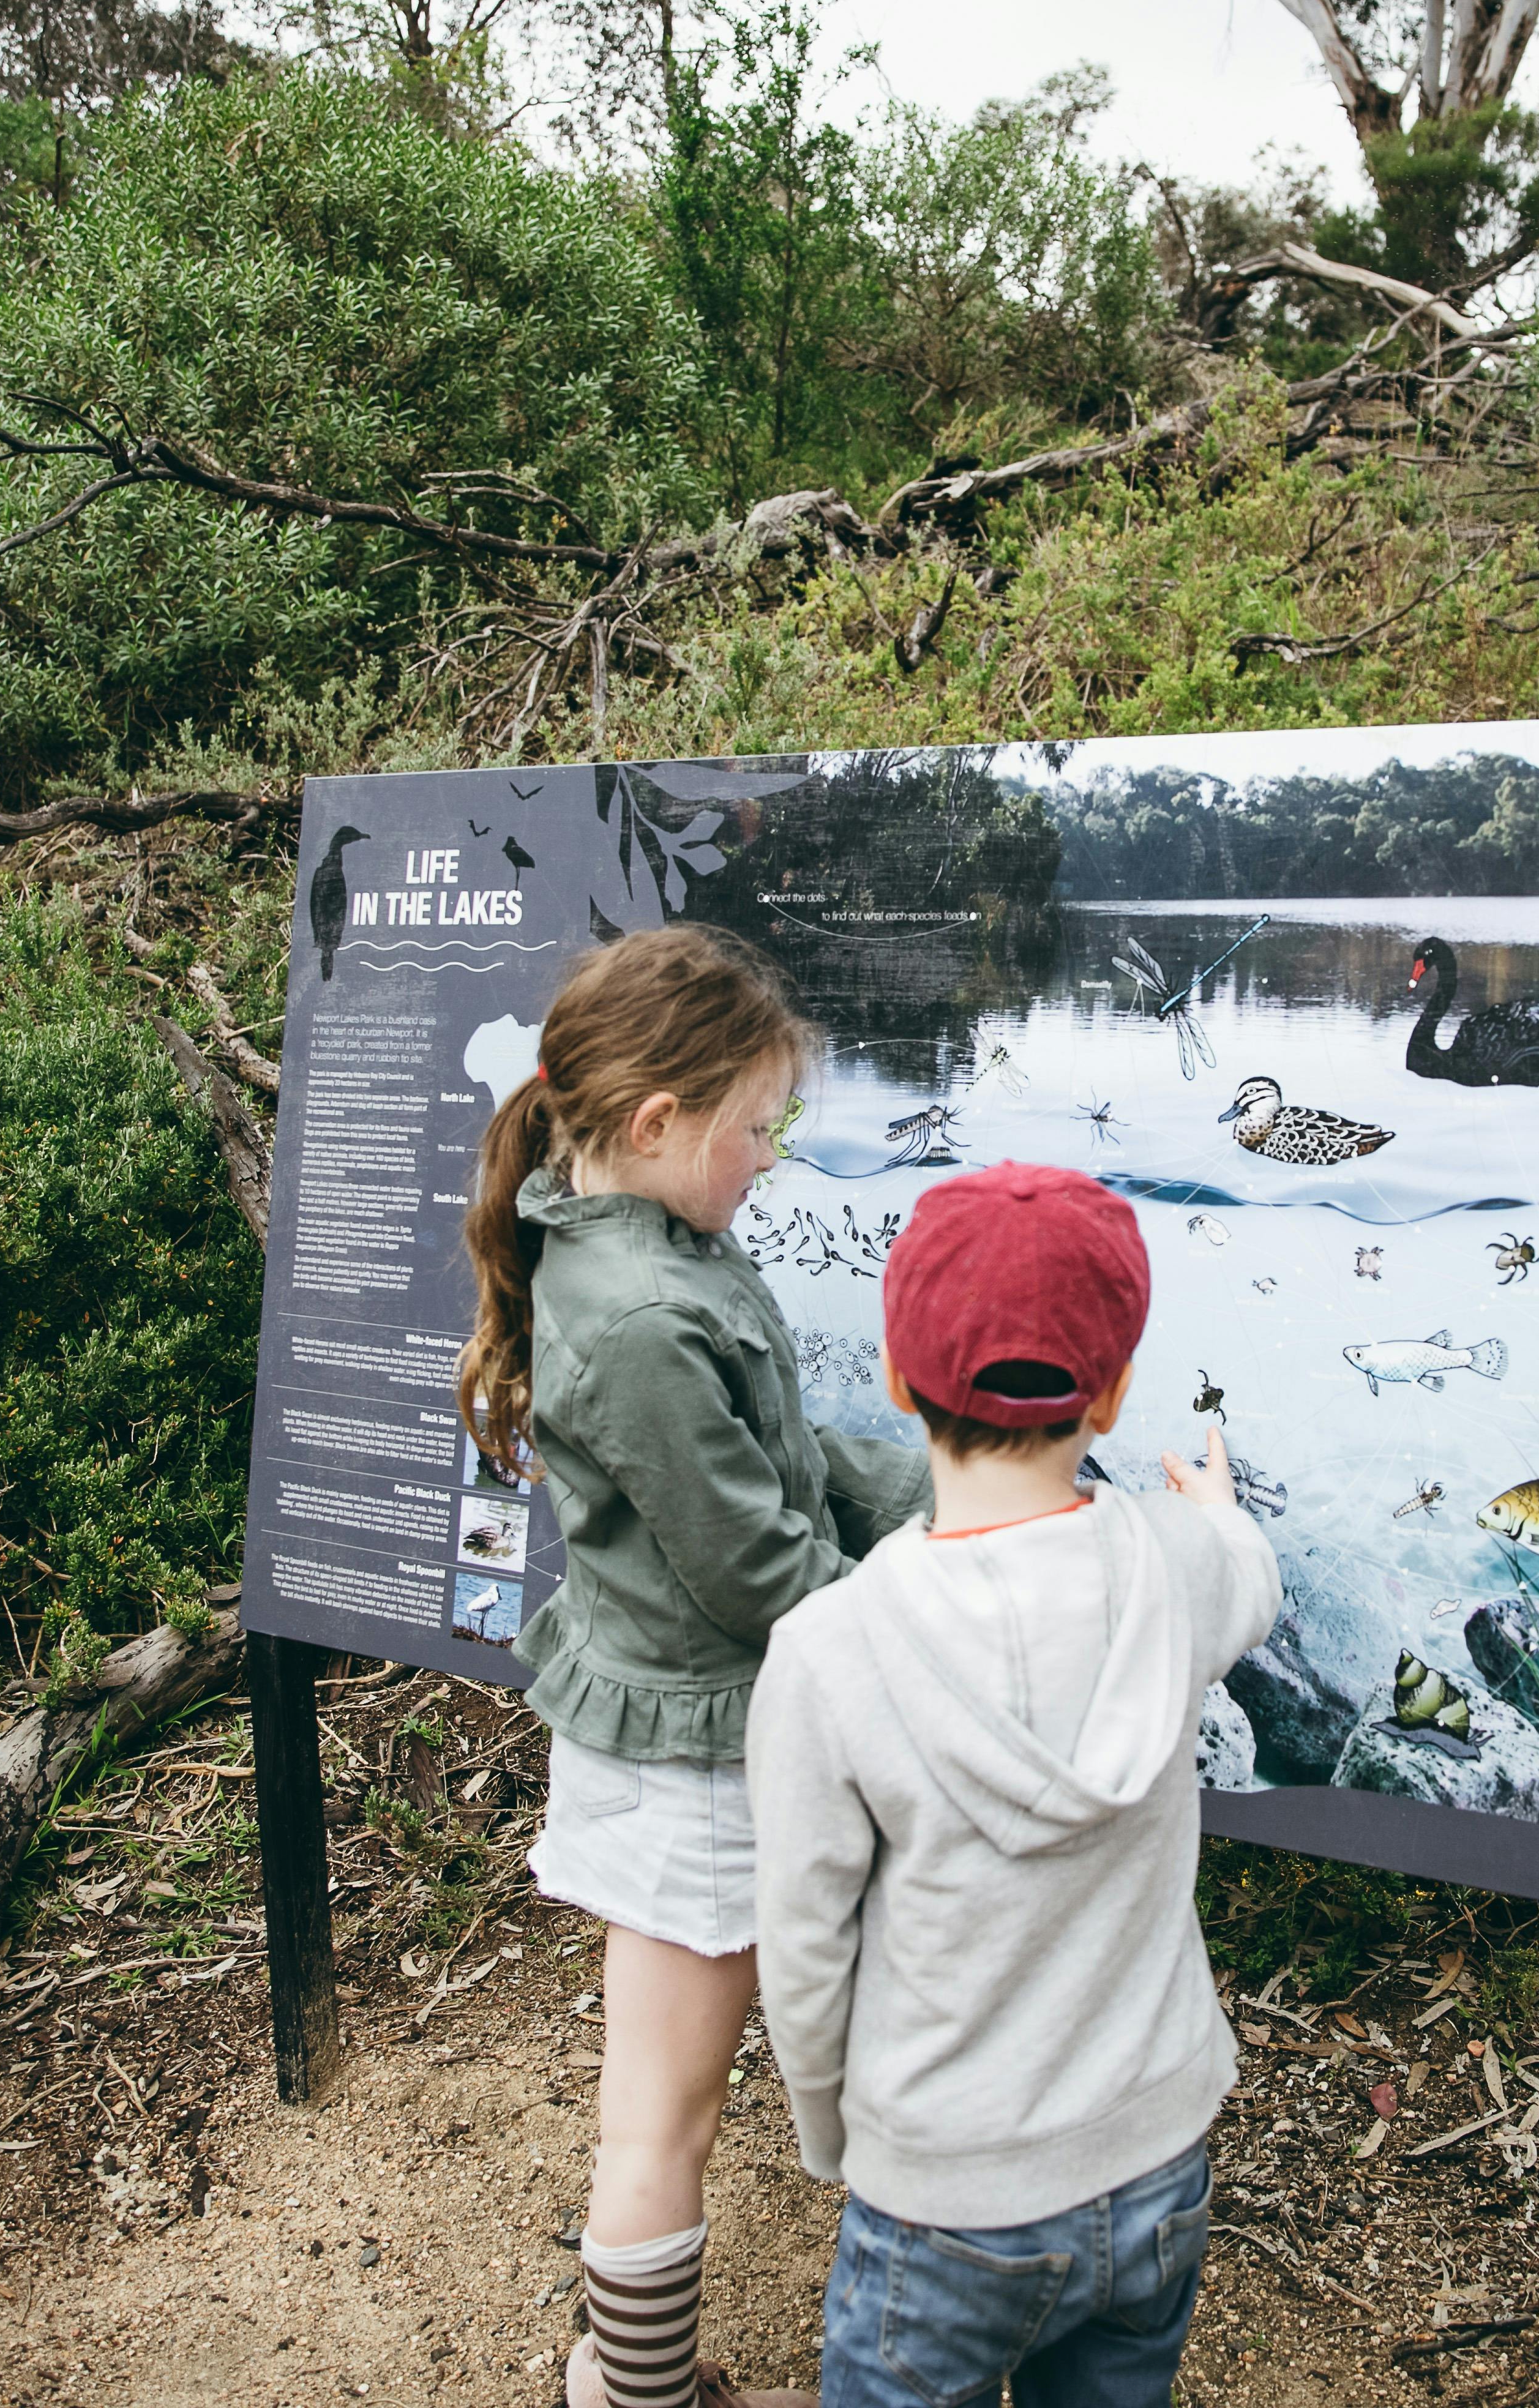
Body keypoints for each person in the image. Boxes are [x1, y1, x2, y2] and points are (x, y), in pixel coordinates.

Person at [457, 925, 931, 2408]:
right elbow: (761, 1576)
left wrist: (956, 1485)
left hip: (681, 1737)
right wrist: (941, 1607)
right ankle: (641, 2401)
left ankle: (630, 2388)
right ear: (658, 1124)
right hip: (699, 1769)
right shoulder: (646, 1323)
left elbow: (779, 1463)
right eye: (757, 1127)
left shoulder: (637, 1235)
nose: (774, 1155)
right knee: (660, 2118)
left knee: (656, 2107)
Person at [746, 1163, 1282, 2408]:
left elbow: (806, 1951)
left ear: (894, 1381)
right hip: (1156, 2160)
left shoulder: (832, 1652)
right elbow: (1246, 1575)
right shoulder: (1181, 1571)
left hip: (945, 2195)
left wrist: (837, 2133)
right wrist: (1212, 1508)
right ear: (1113, 1393)